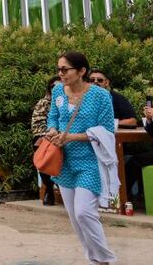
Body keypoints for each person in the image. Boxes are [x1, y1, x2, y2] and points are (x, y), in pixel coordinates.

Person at [44, 51, 115, 265]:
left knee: (84, 212)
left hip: (90, 161)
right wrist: (52, 130)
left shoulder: (100, 96)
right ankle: (93, 258)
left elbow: (107, 130)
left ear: (82, 71)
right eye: (58, 69)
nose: (61, 73)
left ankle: (104, 258)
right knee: (75, 217)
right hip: (64, 162)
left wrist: (72, 136)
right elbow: (52, 118)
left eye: (65, 69)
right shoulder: (58, 90)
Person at [30, 76, 58, 205]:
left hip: (69, 136)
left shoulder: (74, 101)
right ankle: (48, 187)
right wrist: (48, 136)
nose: (56, 88)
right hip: (49, 136)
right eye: (53, 86)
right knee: (41, 149)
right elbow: (38, 124)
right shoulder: (44, 103)